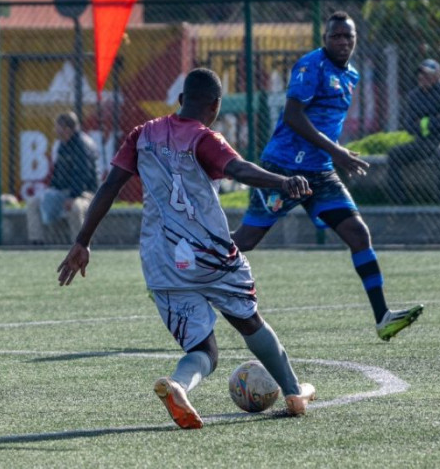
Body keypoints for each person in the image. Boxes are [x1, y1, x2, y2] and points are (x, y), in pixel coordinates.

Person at [57, 68, 317, 429]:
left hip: (161, 259)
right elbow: (238, 169)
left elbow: (110, 186)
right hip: (209, 254)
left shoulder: (142, 134)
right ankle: (293, 392)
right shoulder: (204, 137)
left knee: (203, 350)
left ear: (180, 101)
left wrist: (82, 241)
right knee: (247, 318)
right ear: (215, 106)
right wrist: (283, 182)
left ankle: (179, 385)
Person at [231, 12, 424, 341]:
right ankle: (184, 270)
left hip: (320, 172)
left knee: (358, 234)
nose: (343, 42)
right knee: (246, 241)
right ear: (325, 39)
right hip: (284, 169)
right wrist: (336, 151)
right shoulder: (311, 66)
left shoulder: (351, 76)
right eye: (336, 36)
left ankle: (382, 317)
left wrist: (332, 154)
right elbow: (293, 116)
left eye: (348, 36)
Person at [386, 59, 440, 204]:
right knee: (394, 154)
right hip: (423, 142)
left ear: (437, 76)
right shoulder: (413, 96)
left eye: (427, 74)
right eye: (420, 74)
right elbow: (408, 125)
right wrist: (433, 120)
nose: (422, 77)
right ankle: (399, 200)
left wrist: (423, 122)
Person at [26, 112, 99, 244]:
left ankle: (80, 245)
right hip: (64, 193)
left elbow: (82, 175)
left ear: (67, 129)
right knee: (33, 203)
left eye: (58, 127)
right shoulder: (62, 145)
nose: (55, 130)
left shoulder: (82, 145)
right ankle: (37, 242)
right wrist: (51, 192)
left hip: (85, 193)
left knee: (76, 208)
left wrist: (72, 196)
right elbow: (58, 174)